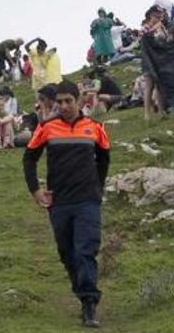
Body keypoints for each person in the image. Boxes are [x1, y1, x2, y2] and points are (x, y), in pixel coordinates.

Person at [22, 80, 110, 328]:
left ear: (79, 101)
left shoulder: (94, 127)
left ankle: (89, 303)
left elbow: (104, 158)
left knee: (86, 250)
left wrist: (98, 188)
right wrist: (36, 190)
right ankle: (80, 289)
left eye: (68, 101)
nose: (63, 106)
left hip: (87, 201)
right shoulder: (46, 128)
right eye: (59, 102)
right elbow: (29, 159)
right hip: (59, 202)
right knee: (67, 252)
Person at [140, 5, 174, 115]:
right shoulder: (145, 28)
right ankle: (147, 113)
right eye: (157, 17)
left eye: (160, 17)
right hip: (148, 62)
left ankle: (160, 110)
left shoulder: (162, 26)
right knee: (149, 86)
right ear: (151, 16)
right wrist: (156, 29)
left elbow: (166, 40)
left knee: (160, 86)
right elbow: (144, 41)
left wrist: (163, 32)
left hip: (160, 62)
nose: (159, 19)